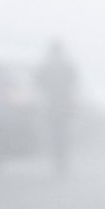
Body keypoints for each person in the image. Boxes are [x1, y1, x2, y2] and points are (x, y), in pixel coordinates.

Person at [35, 40, 78, 174]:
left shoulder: (47, 66)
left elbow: (39, 81)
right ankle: (61, 164)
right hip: (62, 104)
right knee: (62, 134)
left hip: (53, 104)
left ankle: (58, 164)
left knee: (56, 135)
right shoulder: (66, 66)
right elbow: (74, 82)